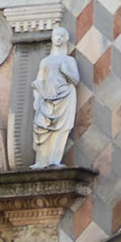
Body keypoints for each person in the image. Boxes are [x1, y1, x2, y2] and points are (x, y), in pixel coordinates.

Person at [31, 26, 79, 167]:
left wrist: (66, 72)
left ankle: (54, 160)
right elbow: (38, 81)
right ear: (52, 38)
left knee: (61, 129)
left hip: (65, 97)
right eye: (56, 35)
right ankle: (41, 161)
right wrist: (37, 98)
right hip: (46, 99)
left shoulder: (69, 60)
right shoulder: (45, 61)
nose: (58, 38)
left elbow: (76, 80)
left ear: (66, 39)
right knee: (41, 129)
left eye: (61, 36)